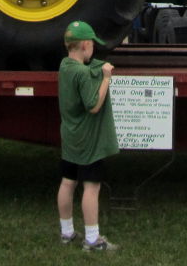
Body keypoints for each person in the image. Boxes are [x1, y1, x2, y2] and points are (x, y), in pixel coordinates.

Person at [57, 20, 120, 251]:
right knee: (91, 187)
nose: (94, 48)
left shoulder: (64, 66)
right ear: (85, 44)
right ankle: (92, 239)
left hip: (70, 136)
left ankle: (67, 233)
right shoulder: (83, 74)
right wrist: (105, 78)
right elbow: (93, 105)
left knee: (67, 182)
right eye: (92, 43)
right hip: (88, 140)